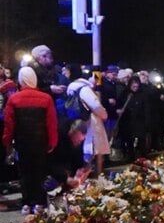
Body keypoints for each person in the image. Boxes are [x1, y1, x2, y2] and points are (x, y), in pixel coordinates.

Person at [3, 67, 58, 214]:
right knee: (40, 172)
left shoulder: (13, 99)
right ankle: (40, 203)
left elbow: (9, 124)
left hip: (22, 142)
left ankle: (27, 203)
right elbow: (51, 123)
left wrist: (7, 142)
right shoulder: (46, 98)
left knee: (25, 173)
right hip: (41, 141)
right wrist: (53, 141)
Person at [67, 71, 110, 177]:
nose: (96, 81)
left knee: (84, 152)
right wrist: (104, 115)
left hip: (79, 123)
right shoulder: (84, 89)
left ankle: (82, 178)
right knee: (92, 152)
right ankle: (94, 178)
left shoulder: (72, 89)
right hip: (91, 123)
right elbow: (96, 106)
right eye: (95, 77)